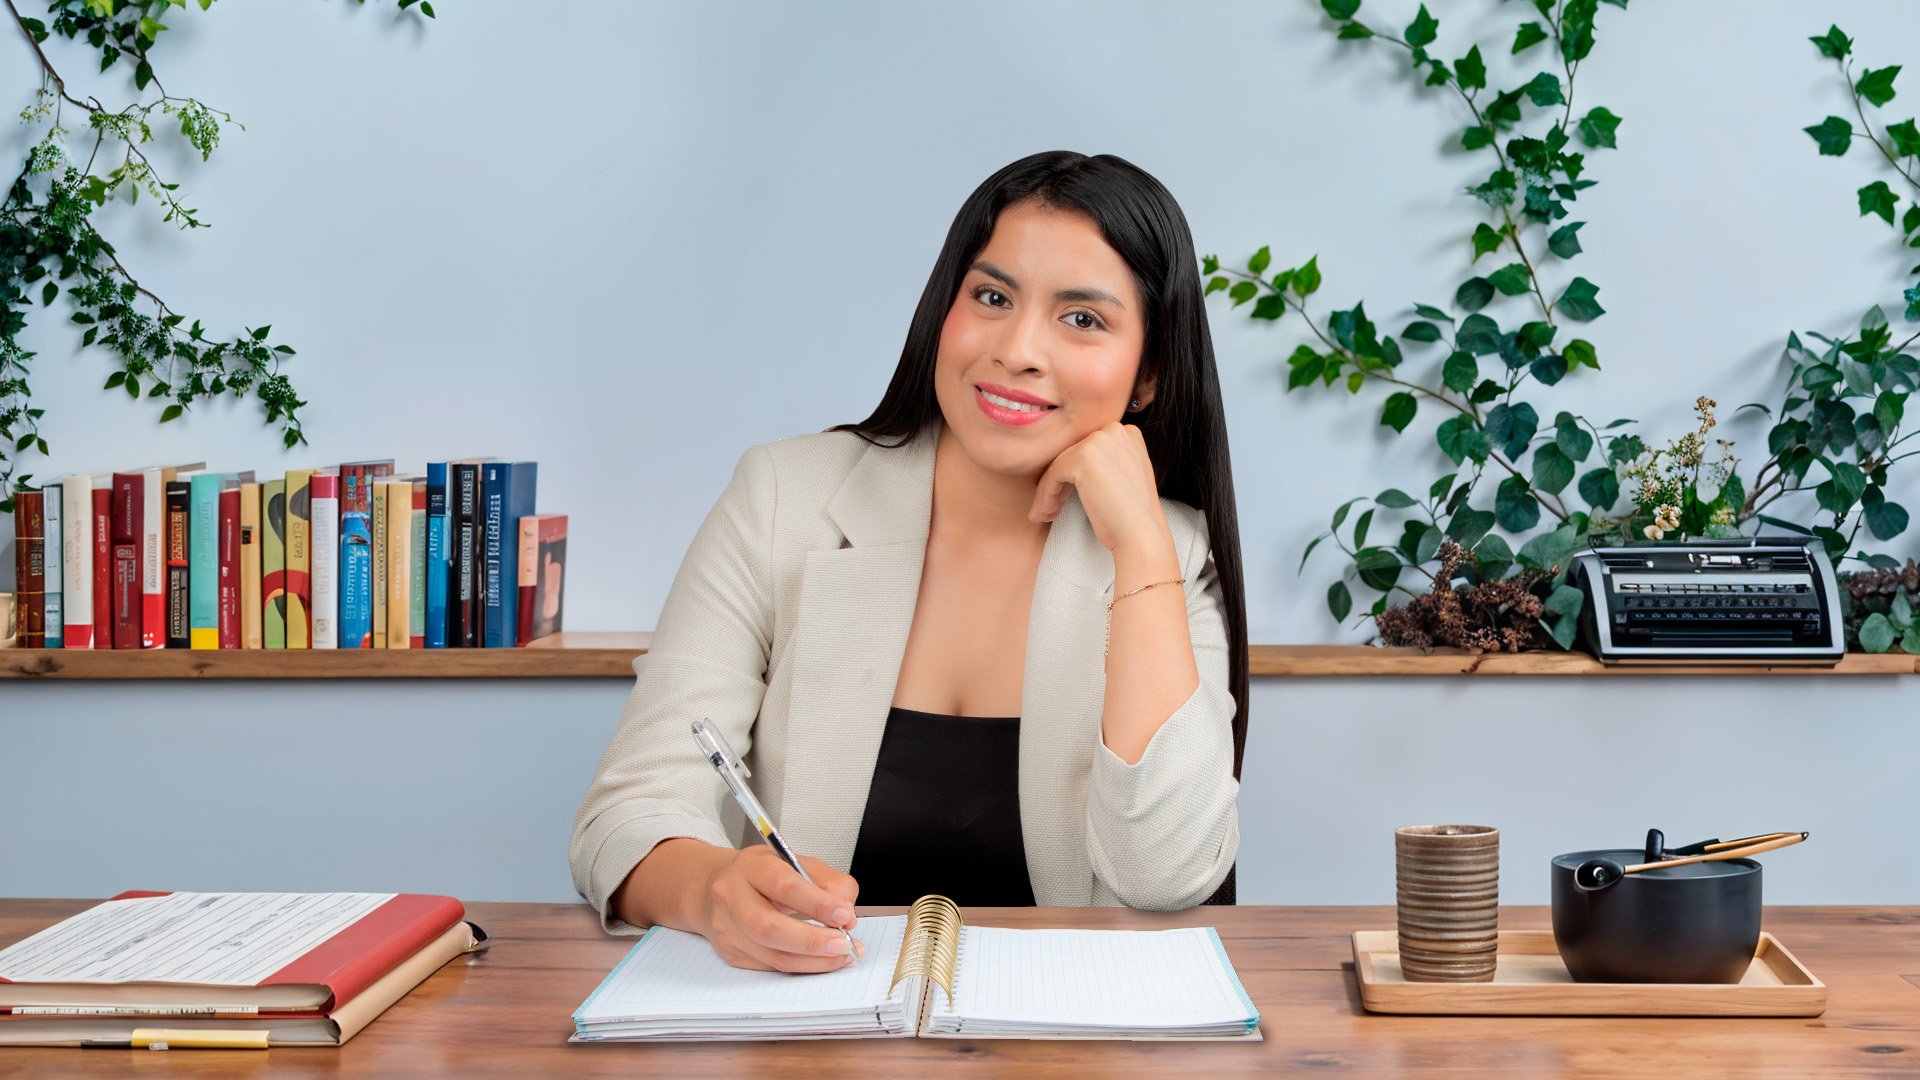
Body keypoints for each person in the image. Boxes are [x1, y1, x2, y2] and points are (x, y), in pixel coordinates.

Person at [569, 150, 1250, 973]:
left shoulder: (1174, 550)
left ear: (1147, 377)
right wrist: (713, 888)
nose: (1018, 349)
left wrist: (1139, 545)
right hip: (807, 1044)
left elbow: (1167, 876)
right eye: (992, 297)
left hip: (1067, 1049)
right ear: (944, 311)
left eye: (1083, 319)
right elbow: (627, 812)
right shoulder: (783, 496)